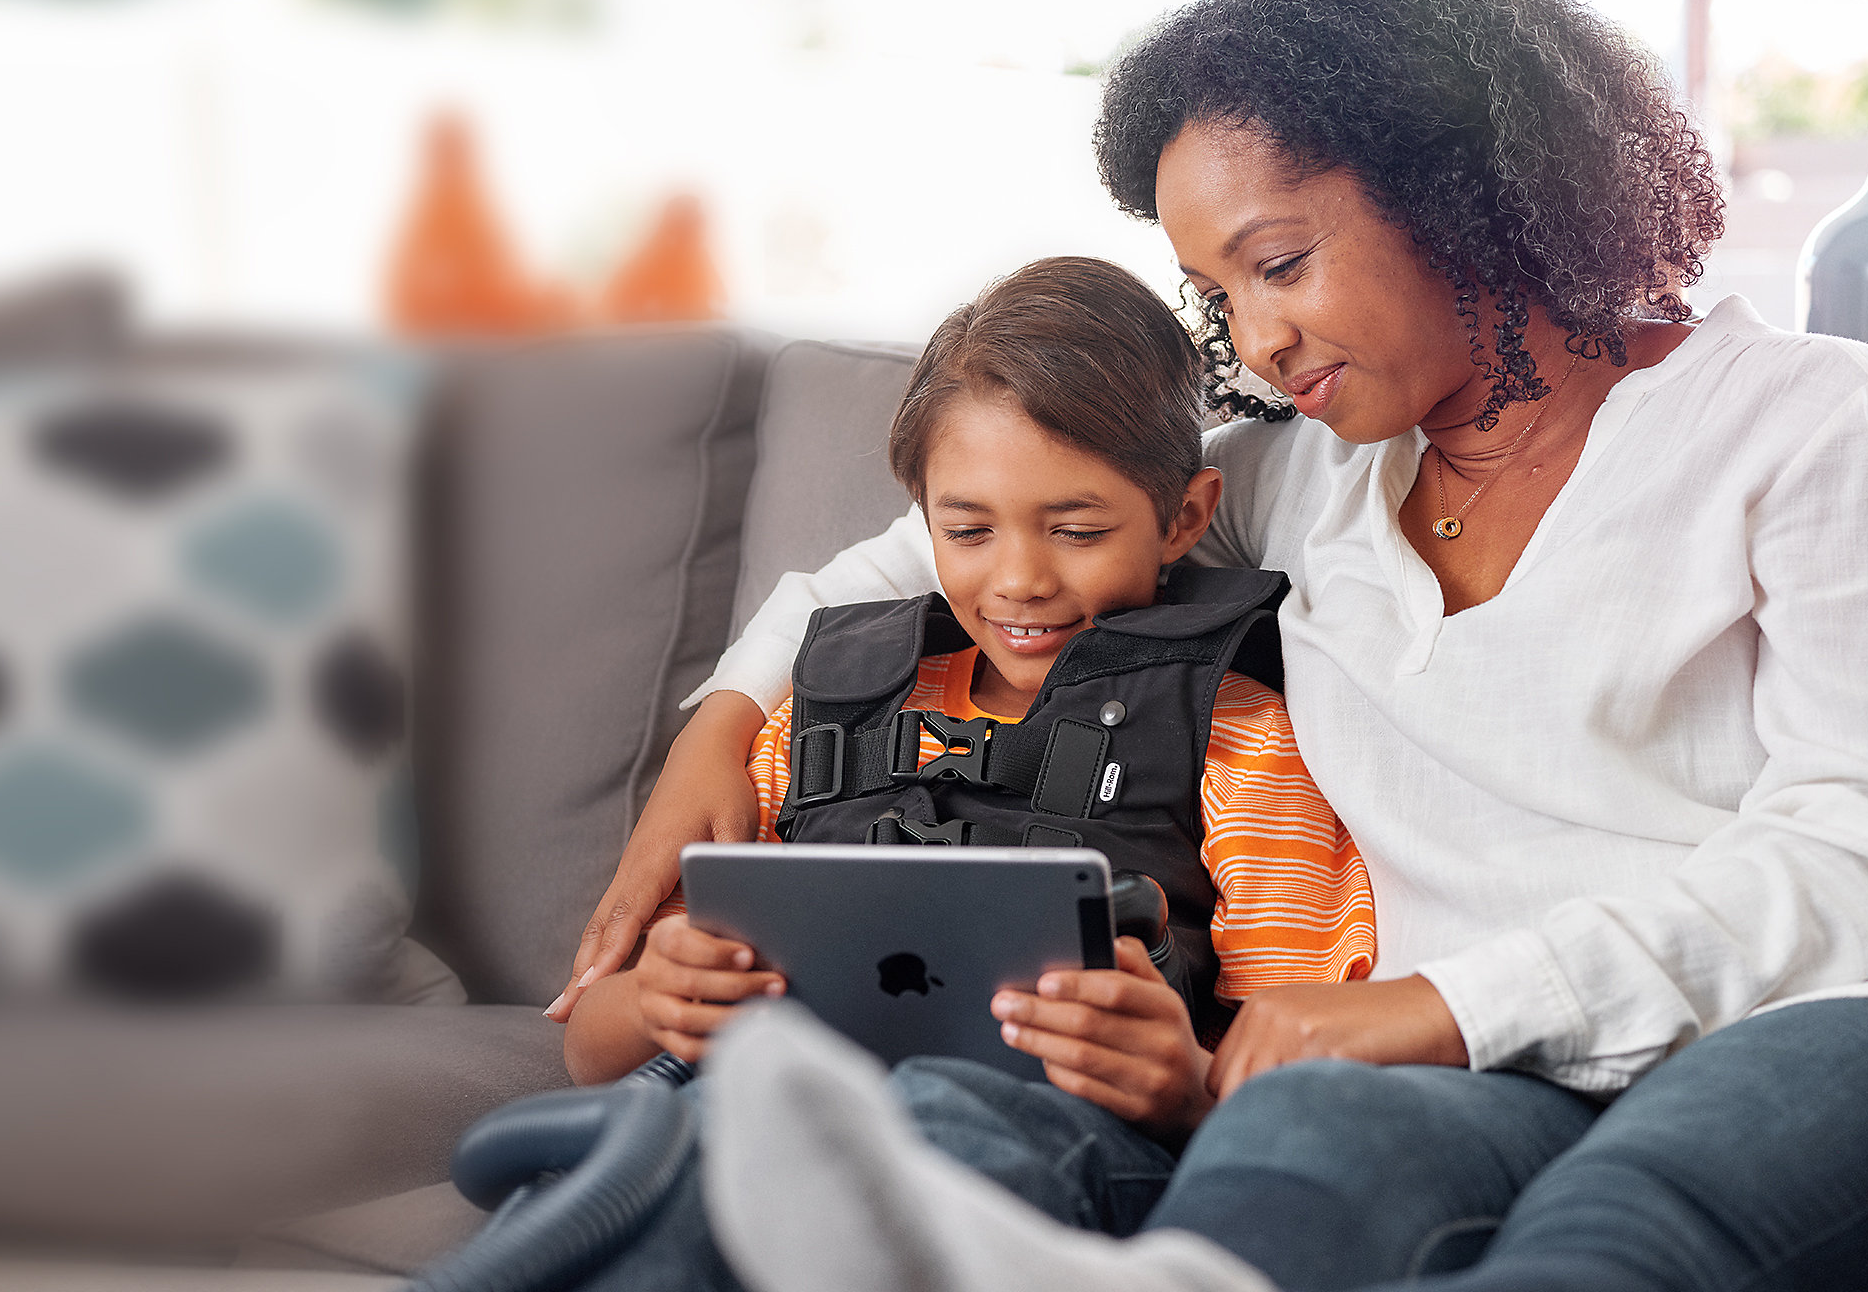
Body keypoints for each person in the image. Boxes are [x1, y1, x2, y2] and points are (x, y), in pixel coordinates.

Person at [560, 0, 1868, 1292]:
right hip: (1482, 1066)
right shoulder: (1301, 476)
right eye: (1219, 294)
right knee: (1280, 1176)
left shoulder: (1805, 416)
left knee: (1617, 1235)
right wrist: (723, 723)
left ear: (1460, 190)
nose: (1256, 338)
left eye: (1281, 262)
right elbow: (959, 539)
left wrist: (1441, 1004)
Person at [552, 256, 1376, 1288]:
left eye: (1077, 531)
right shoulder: (811, 718)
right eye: (969, 530)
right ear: (923, 519)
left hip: (1036, 1143)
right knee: (664, 1183)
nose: (1021, 577)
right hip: (741, 1124)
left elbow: (1296, 1070)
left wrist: (1187, 1084)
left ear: (1184, 516)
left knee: (926, 1130)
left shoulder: (1240, 737)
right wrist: (662, 1000)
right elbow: (592, 1048)